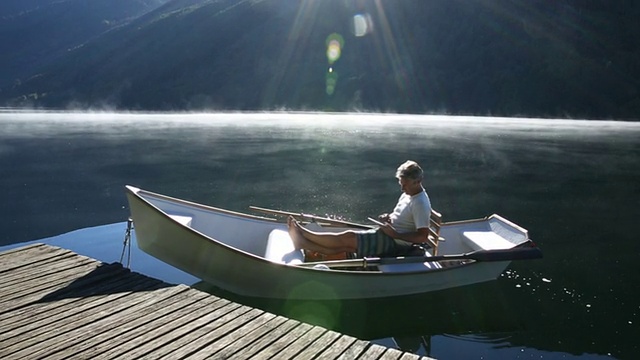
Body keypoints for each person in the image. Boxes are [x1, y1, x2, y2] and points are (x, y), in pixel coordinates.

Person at [287, 160, 432, 258]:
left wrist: (394, 234)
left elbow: (422, 237)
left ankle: (305, 234)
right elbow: (403, 217)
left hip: (396, 244)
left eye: (405, 184)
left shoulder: (420, 203)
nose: (402, 187)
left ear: (417, 181)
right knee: (346, 246)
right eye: (401, 183)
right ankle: (302, 242)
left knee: (348, 237)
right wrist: (387, 218)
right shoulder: (409, 194)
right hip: (388, 235)